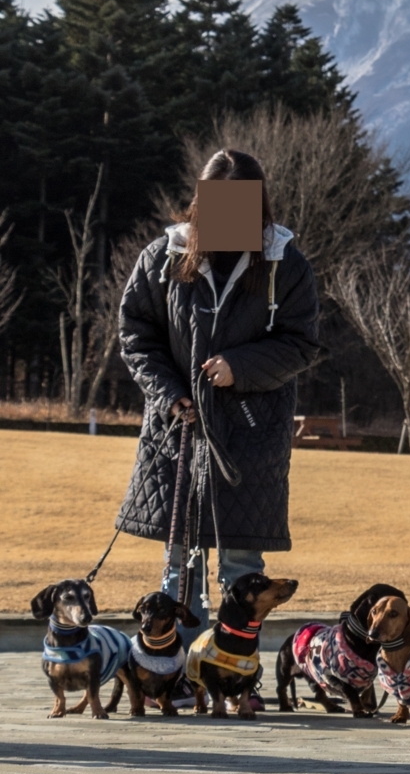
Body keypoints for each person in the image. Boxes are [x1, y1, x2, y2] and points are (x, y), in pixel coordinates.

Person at [117, 149, 320, 641]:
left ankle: (233, 677)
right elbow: (135, 334)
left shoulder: (283, 263)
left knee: (243, 567)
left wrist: (240, 367)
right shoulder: (163, 257)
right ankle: (174, 673)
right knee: (178, 567)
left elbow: (301, 343)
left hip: (252, 430)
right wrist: (169, 394)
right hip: (179, 430)